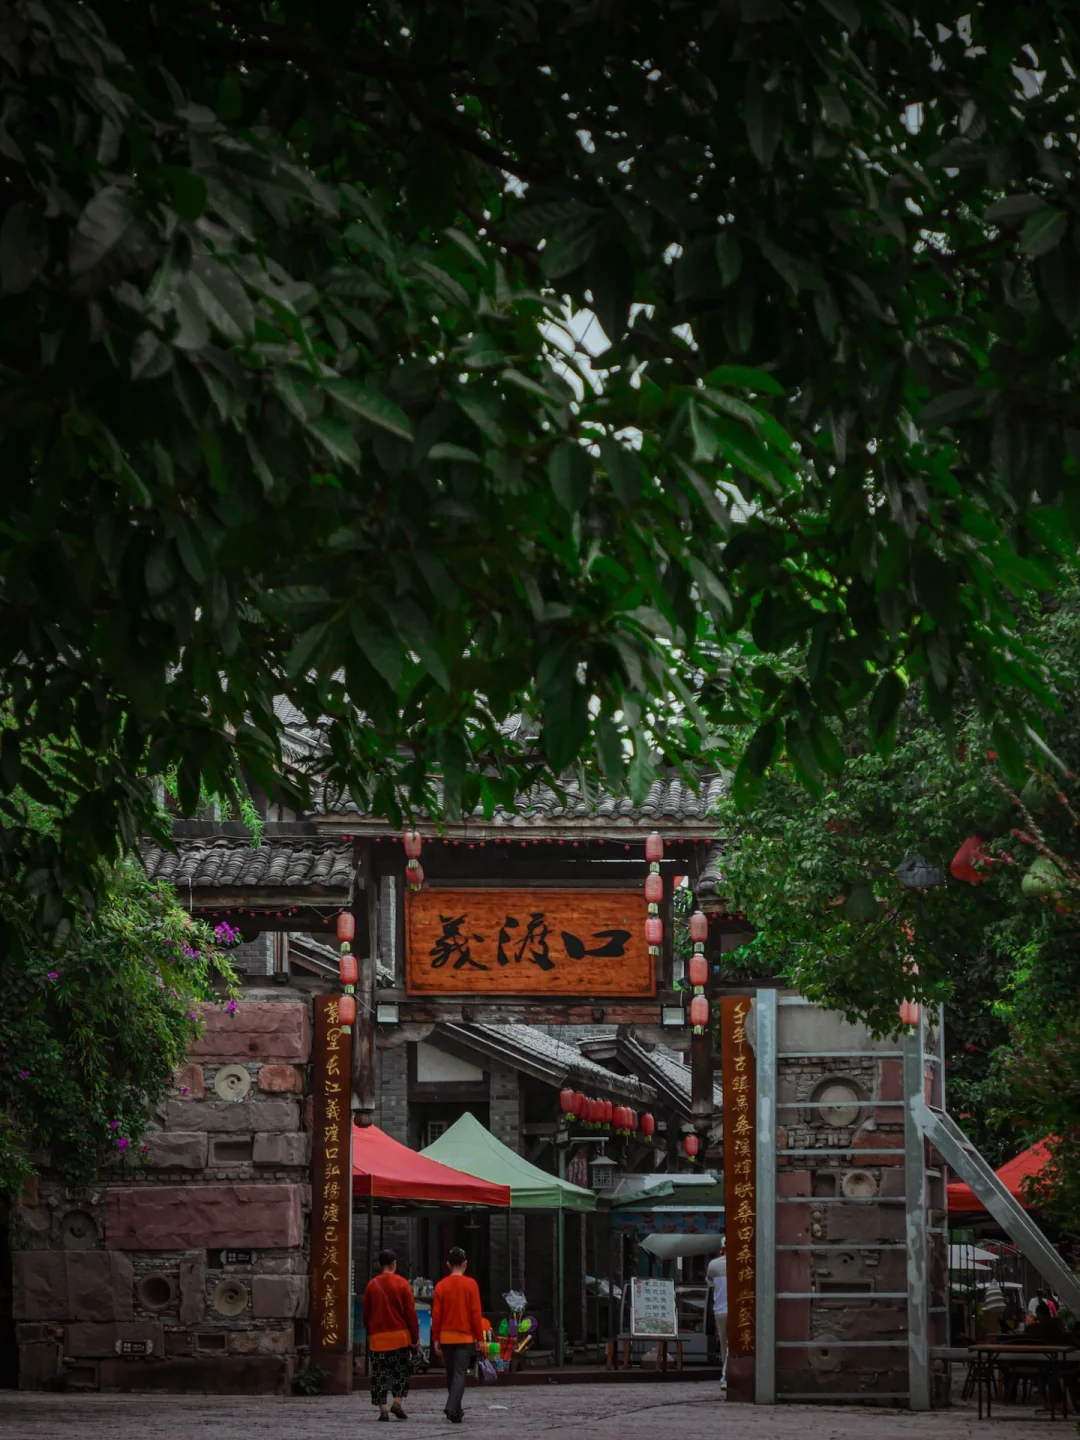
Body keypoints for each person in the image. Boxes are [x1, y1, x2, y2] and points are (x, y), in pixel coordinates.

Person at [362, 1249, 419, 1422]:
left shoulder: (372, 1285)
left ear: (379, 1265)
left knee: (379, 1375)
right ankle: (397, 1402)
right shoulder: (402, 1284)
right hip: (400, 1338)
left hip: (378, 1339)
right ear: (394, 1264)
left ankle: (383, 1410)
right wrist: (414, 1338)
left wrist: (370, 1332)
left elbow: (366, 1314)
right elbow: (410, 1314)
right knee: (401, 1372)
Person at [432, 1246, 484, 1424]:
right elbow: (475, 1313)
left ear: (448, 1264)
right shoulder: (471, 1284)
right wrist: (479, 1337)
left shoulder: (441, 1286)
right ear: (465, 1264)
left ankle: (456, 1411)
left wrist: (436, 1338)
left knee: (451, 1374)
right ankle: (452, 1407)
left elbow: (436, 1315)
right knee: (460, 1374)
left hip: (446, 1337)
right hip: (465, 1337)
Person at [706, 1241, 728, 1385]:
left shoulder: (713, 1265)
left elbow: (710, 1283)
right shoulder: (742, 1263)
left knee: (724, 1343)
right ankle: (727, 1374)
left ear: (722, 1249)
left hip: (720, 1311)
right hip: (737, 1310)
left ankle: (726, 1373)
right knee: (732, 1343)